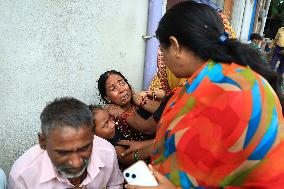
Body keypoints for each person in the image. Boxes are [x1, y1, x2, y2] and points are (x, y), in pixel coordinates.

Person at [126, 1, 284, 189]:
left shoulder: (216, 93)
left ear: (175, 46)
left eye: (162, 50)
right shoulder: (236, 76)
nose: (163, 60)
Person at [8, 97, 124, 189]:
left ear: (92, 136)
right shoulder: (22, 176)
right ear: (43, 142)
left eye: (84, 148)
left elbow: (115, 185)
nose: (76, 163)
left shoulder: (106, 152)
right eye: (63, 152)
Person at [89, 105, 154, 168]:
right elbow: (124, 158)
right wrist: (149, 150)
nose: (112, 124)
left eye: (110, 118)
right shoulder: (97, 150)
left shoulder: (112, 132)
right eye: (105, 125)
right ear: (93, 133)